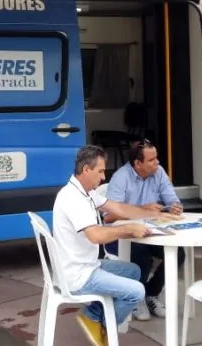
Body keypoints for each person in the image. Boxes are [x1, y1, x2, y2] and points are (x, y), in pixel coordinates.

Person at [53, 145, 181, 346]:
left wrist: (155, 215)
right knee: (136, 291)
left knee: (133, 271)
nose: (103, 178)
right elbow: (95, 235)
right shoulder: (73, 199)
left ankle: (94, 315)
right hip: (78, 275)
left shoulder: (86, 192)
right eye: (101, 171)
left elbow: (118, 208)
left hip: (85, 264)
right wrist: (128, 229)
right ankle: (99, 322)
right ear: (86, 169)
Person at [102, 139, 185, 320]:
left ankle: (150, 293)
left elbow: (172, 199)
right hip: (120, 236)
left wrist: (175, 206)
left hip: (150, 233)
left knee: (179, 253)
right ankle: (135, 298)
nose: (157, 163)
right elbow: (108, 217)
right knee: (142, 255)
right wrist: (141, 210)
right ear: (138, 164)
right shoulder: (120, 178)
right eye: (152, 160)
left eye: (156, 158)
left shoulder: (159, 172)